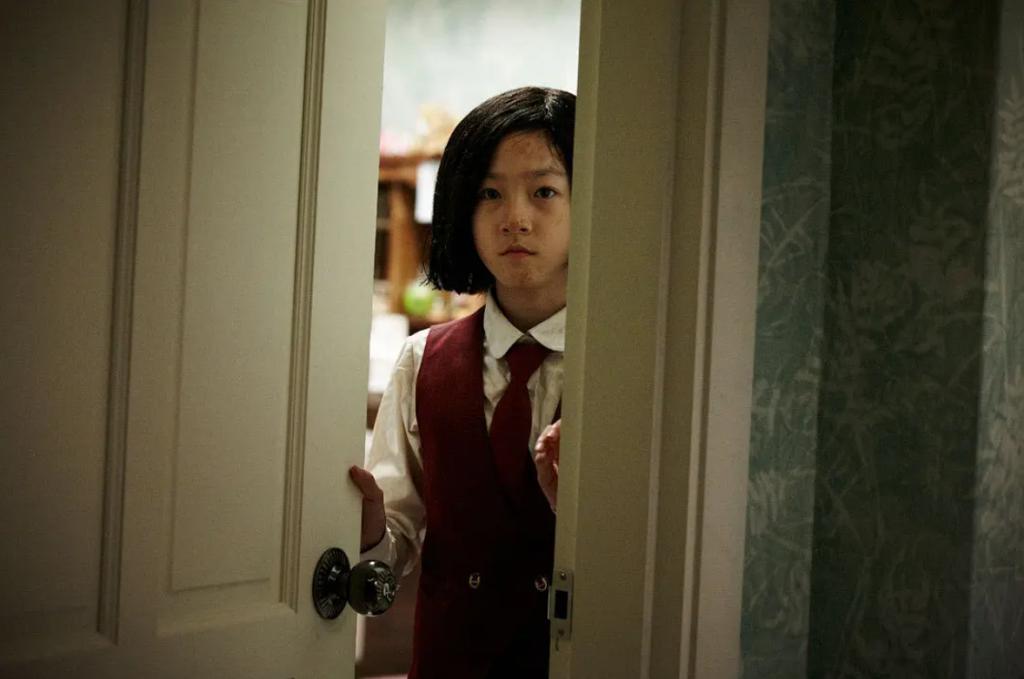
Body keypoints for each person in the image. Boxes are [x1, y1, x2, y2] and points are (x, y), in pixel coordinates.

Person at [348, 86, 575, 679]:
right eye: (489, 193)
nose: (515, 218)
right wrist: (368, 527)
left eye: (544, 191)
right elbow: (393, 546)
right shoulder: (423, 359)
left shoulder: (628, 367)